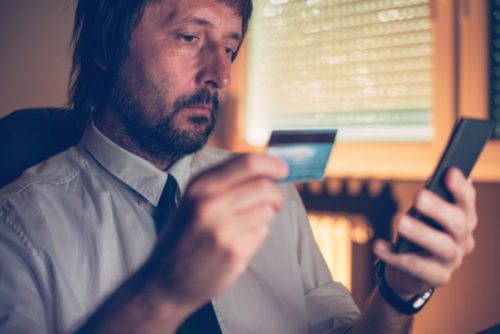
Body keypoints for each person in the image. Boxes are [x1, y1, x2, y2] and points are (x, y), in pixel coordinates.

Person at [0, 0, 477, 333]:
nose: (221, 74)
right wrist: (165, 292)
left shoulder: (271, 190)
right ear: (107, 48)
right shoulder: (17, 228)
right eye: (191, 37)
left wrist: (399, 293)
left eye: (229, 47)